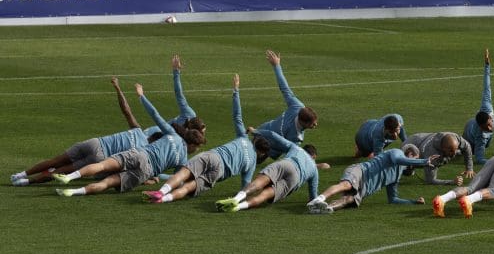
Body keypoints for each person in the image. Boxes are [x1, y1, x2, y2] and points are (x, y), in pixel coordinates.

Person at [54, 84, 206, 197]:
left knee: (101, 166)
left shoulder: (172, 133)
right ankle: (73, 192)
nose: (196, 150)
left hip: (139, 154)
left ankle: (69, 177)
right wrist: (167, 189)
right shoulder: (183, 158)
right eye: (197, 147)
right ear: (192, 144)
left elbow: (155, 115)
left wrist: (141, 96)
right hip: (145, 172)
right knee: (107, 183)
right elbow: (177, 180)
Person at [142, 75, 270, 204]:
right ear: (261, 153)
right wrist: (241, 199)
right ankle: (163, 199)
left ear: (254, 140)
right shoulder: (252, 163)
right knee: (188, 187)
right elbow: (245, 187)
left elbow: (237, 116)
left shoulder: (243, 137)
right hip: (219, 172)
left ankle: (161, 192)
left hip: (213, 155)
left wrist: (236, 90)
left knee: (183, 174)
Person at [12, 77, 151, 185]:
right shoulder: (143, 151)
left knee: (55, 160)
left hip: (95, 143)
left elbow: (126, 111)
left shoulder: (138, 130)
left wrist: (118, 88)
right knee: (62, 171)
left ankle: (22, 174)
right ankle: (27, 182)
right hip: (100, 157)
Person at [306, 144, 438, 213]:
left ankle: (326, 208)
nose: (412, 166)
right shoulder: (397, 152)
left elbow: (393, 199)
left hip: (364, 190)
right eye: (414, 160)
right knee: (347, 185)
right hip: (360, 171)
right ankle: (318, 200)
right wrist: (424, 162)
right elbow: (398, 160)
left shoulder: (397, 175)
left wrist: (413, 202)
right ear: (409, 154)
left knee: (349, 199)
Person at [215, 134, 320, 212]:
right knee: (265, 195)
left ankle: (236, 199)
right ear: (313, 156)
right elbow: (312, 198)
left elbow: (274, 136)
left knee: (259, 182)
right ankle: (238, 207)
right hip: (295, 178)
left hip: (286, 164)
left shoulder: (296, 148)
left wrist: (257, 131)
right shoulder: (314, 169)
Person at [256, 49, 318, 158]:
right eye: (312, 123)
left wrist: (277, 65)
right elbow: (291, 156)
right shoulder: (297, 136)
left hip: (264, 134)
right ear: (303, 122)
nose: (315, 125)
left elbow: (285, 89)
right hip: (265, 144)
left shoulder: (297, 107)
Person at [402, 131, 474, 185]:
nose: (454, 153)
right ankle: (408, 168)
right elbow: (430, 180)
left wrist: (469, 168)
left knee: (458, 153)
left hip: (420, 138)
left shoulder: (456, 138)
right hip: (410, 145)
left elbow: (467, 147)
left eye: (456, 149)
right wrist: (452, 182)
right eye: (451, 151)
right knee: (407, 172)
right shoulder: (432, 155)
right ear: (443, 148)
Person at [463, 48, 494, 164]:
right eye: (486, 127)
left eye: (489, 125)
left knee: (487, 142)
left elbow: (487, 87)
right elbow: (480, 159)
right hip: (469, 133)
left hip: (473, 122)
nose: (490, 128)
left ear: (490, 118)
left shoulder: (487, 107)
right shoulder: (480, 134)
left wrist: (487, 65)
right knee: (468, 152)